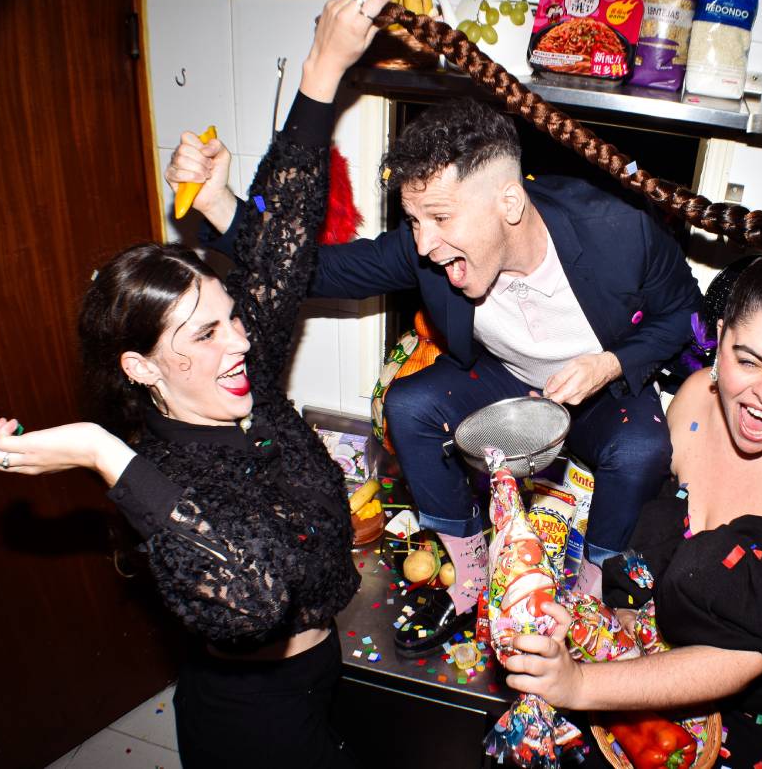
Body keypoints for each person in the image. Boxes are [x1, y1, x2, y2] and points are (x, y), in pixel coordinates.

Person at [0, 0, 390, 766]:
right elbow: (257, 594)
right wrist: (106, 455)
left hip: (321, 682)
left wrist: (322, 69)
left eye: (232, 316)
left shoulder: (246, 380)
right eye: (204, 333)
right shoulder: (163, 470)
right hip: (252, 724)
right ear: (140, 368)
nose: (241, 341)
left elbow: (284, 245)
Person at [170, 87, 702, 660]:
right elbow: (316, 270)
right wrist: (219, 204)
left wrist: (610, 363)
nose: (424, 243)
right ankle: (471, 571)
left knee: (644, 448)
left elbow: (684, 315)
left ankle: (595, 594)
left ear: (509, 204)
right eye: (414, 220)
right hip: (508, 380)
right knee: (409, 404)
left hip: (603, 391)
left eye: (441, 217)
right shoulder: (428, 246)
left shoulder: (619, 232)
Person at [501, 247, 762, 767]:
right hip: (674, 664)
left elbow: (738, 658)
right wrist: (599, 629)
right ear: (720, 337)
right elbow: (662, 552)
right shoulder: (693, 401)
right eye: (748, 360)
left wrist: (581, 683)